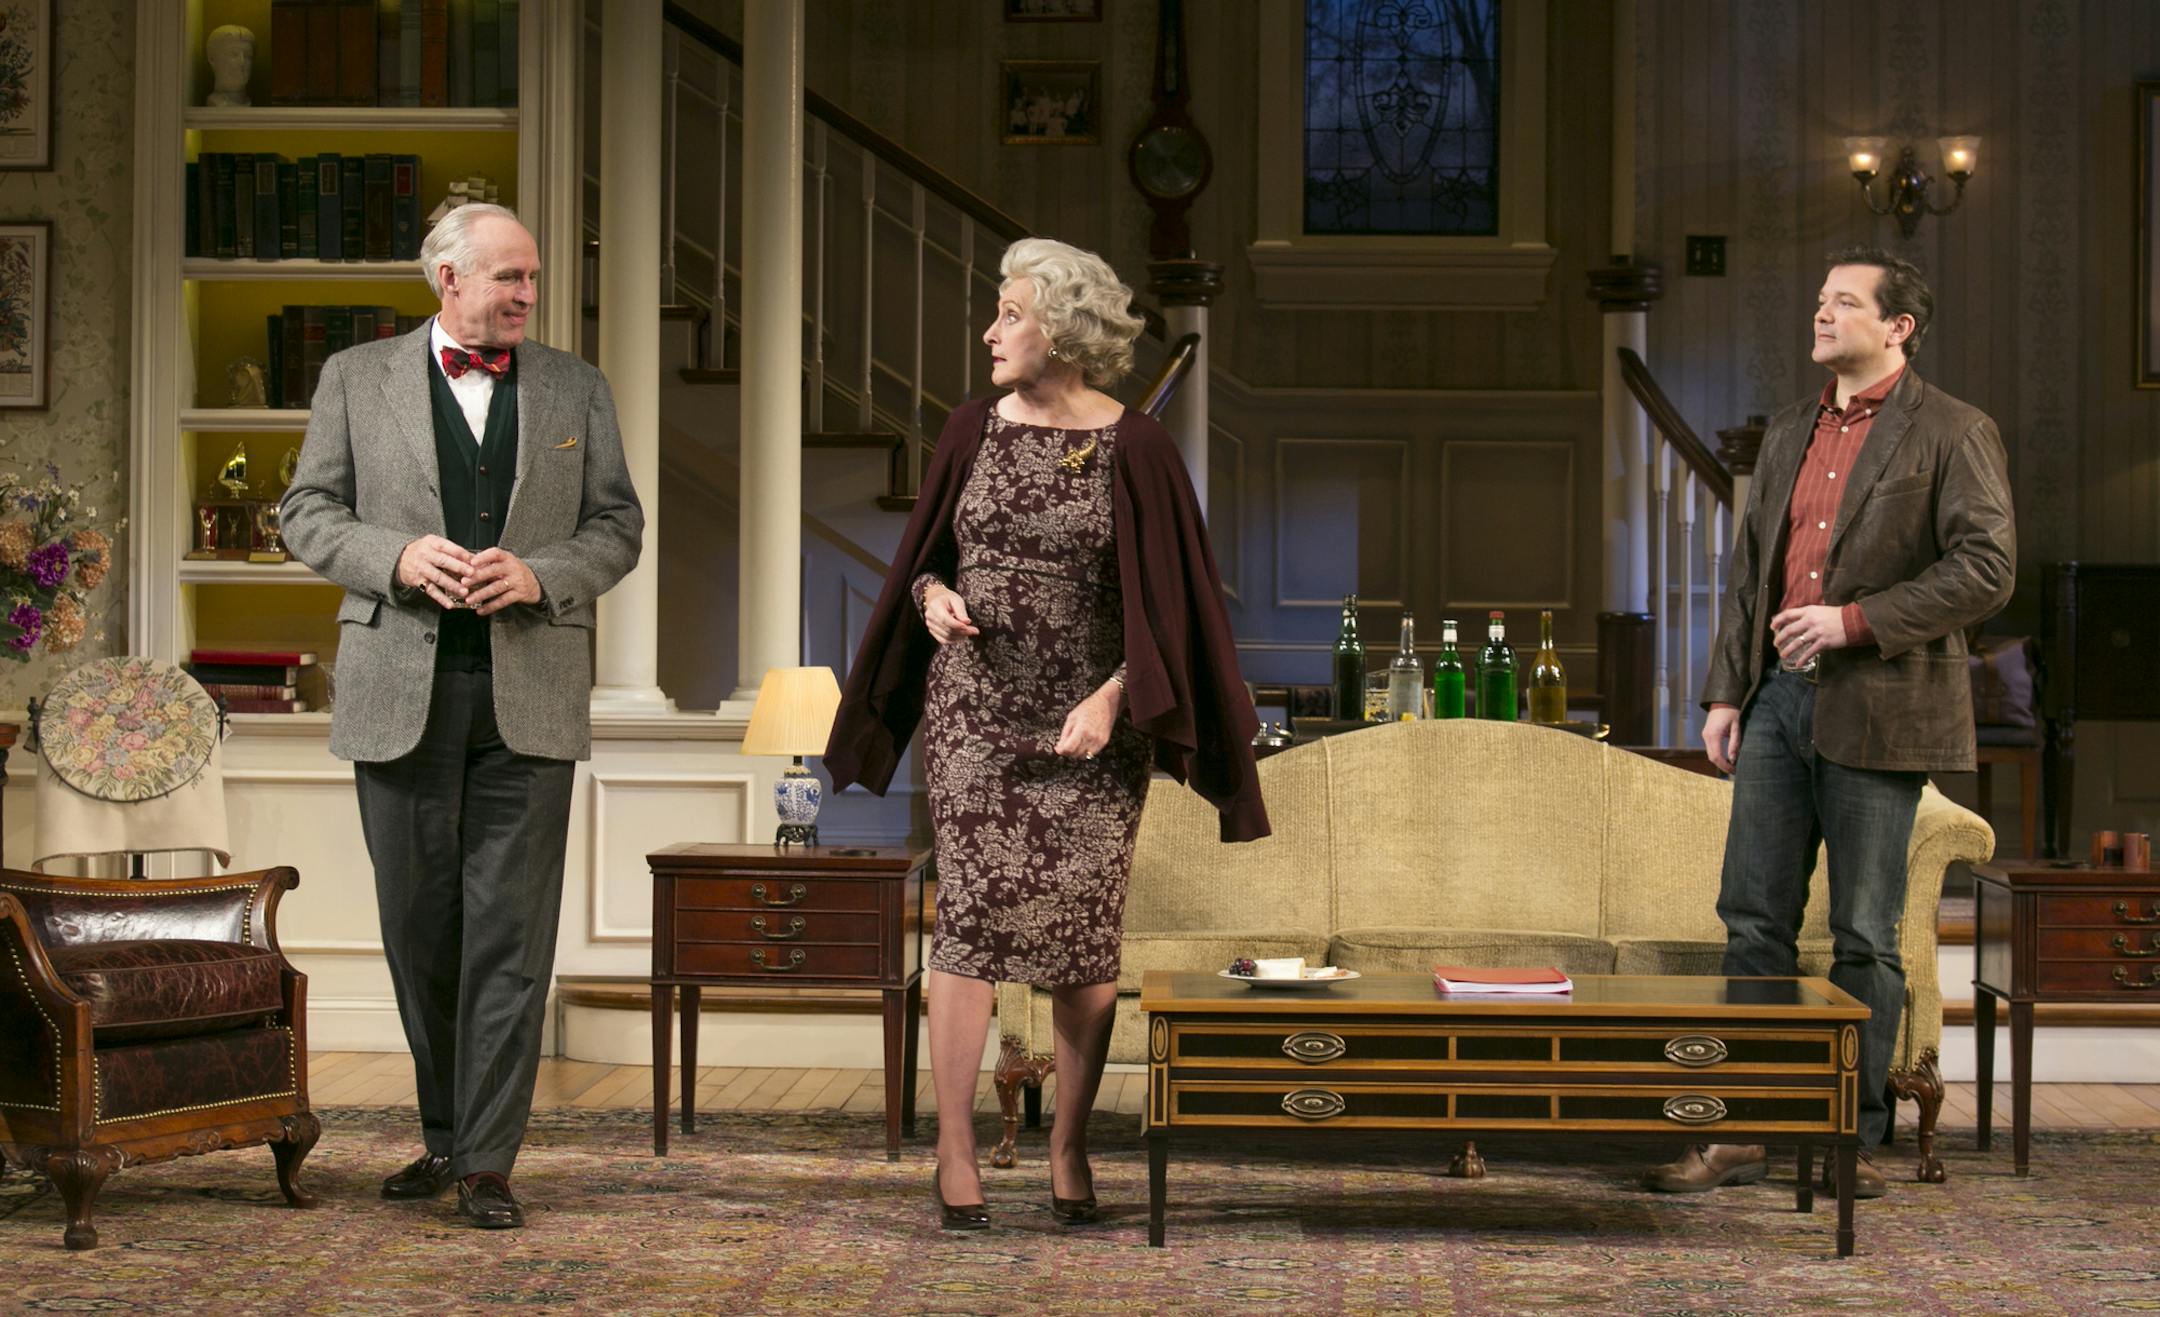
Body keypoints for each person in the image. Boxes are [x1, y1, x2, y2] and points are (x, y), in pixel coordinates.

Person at [825, 237, 1268, 1230]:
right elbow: (928, 557)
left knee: (1081, 942)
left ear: (1062, 329)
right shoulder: (970, 428)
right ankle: (955, 1151)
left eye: (1012, 313)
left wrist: (1117, 696)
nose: (990, 330)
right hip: (974, 716)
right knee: (971, 927)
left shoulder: (1139, 446)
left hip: (1093, 729)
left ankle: (1068, 1146)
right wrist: (936, 597)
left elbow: (1175, 608)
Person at [281, 203, 644, 1229]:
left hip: (530, 696)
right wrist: (393, 559)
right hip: (397, 692)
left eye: (531, 278)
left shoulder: (577, 386)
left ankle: (489, 1160)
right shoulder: (356, 379)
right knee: (418, 929)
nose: (528, 295)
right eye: (510, 278)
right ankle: (443, 1137)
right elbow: (307, 512)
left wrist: (542, 573)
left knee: (510, 936)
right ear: (448, 279)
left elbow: (618, 525)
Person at [1645, 246, 2014, 1199]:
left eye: (1843, 302)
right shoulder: (1785, 431)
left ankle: (1847, 1136)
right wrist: (1728, 692)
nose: (1821, 314)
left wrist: (1853, 621)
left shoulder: (1954, 430)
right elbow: (1748, 573)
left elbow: (1986, 569)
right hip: (1776, 706)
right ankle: (1745, 1129)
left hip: (1885, 709)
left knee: (1863, 932)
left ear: (1899, 327)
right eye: (1819, 300)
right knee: (1752, 920)